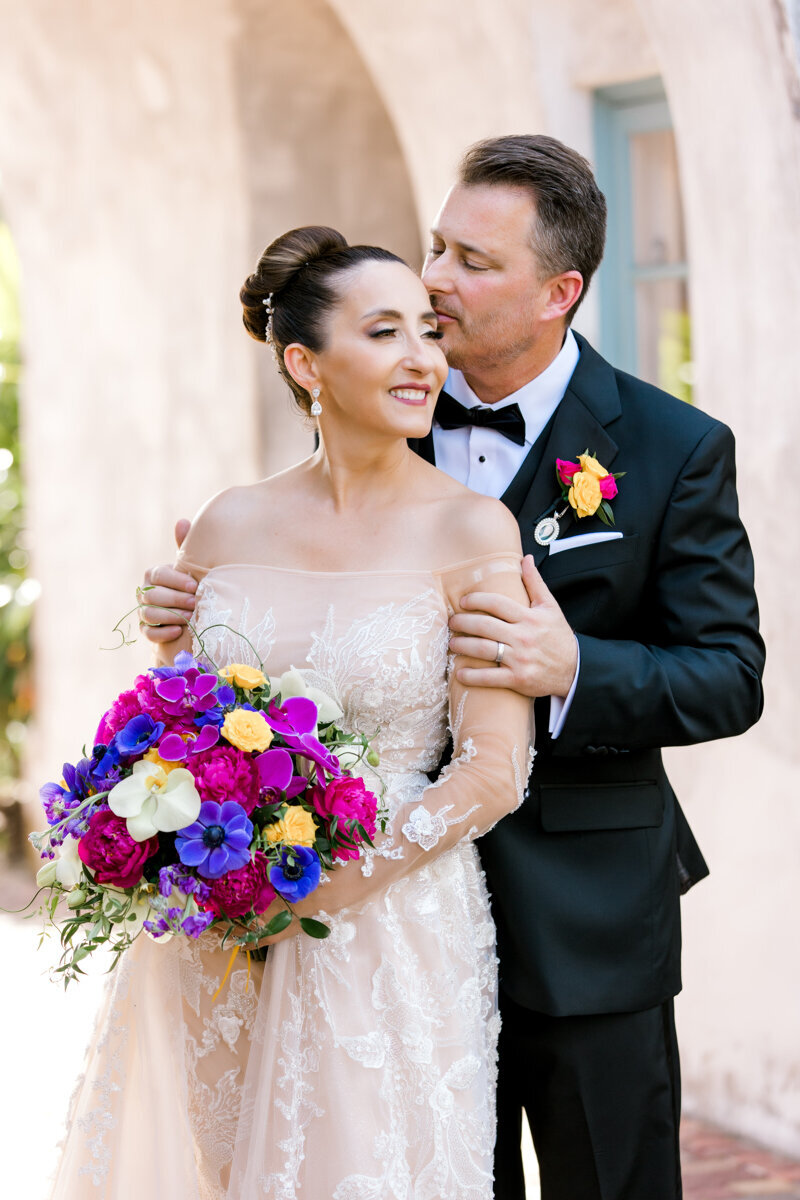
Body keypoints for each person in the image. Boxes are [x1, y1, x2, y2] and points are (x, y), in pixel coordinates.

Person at [143, 136, 766, 1200]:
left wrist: (573, 666)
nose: (434, 280)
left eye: (472, 261)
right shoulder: (374, 411)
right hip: (383, 939)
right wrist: (197, 620)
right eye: (437, 247)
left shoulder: (670, 449)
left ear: (555, 293)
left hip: (586, 922)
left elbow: (725, 674)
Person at [51, 228, 533, 1199]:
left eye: (427, 332)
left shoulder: (472, 528)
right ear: (305, 362)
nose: (421, 357)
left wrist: (321, 895)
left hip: (385, 924)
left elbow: (492, 770)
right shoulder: (228, 518)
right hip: (214, 933)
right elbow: (179, 714)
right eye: (385, 331)